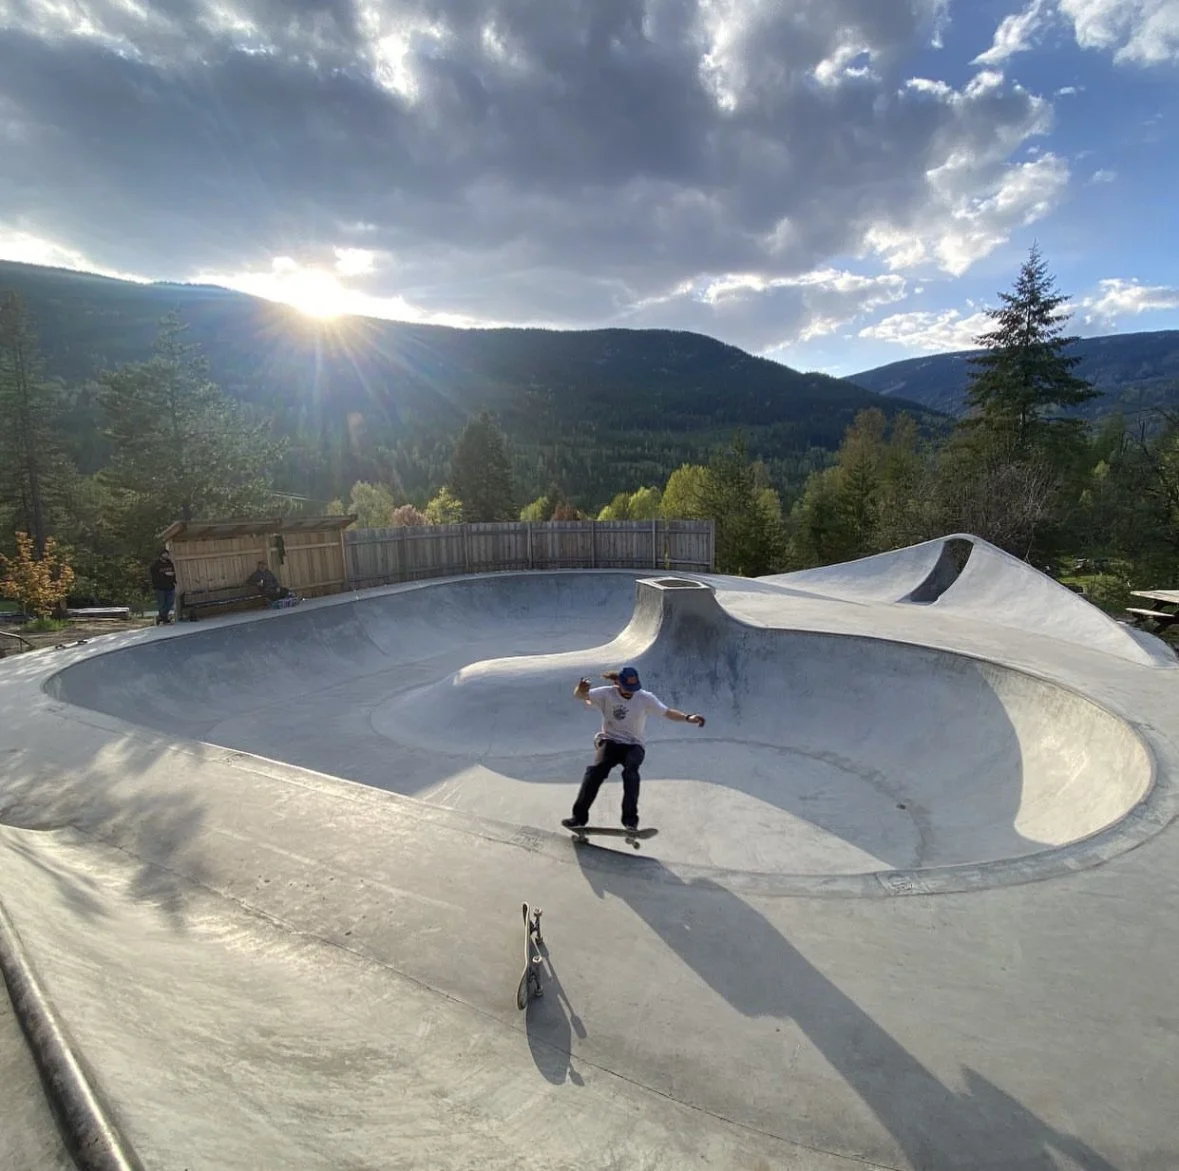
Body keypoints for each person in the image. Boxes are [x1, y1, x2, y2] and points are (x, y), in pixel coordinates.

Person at [562, 665, 705, 832]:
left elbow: (667, 712)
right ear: (618, 683)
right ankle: (578, 818)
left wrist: (688, 718)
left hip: (634, 745)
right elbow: (581, 696)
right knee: (595, 771)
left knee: (631, 772)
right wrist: (581, 689)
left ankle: (630, 821)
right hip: (610, 741)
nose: (630, 692)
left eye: (633, 689)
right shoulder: (606, 693)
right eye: (627, 689)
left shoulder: (645, 698)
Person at [149, 550, 176, 625]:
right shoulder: (155, 565)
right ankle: (163, 618)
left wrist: (174, 580)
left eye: (167, 554)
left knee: (170, 602)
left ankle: (163, 616)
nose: (166, 556)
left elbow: (173, 572)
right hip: (160, 587)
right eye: (164, 554)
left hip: (170, 585)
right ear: (161, 555)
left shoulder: (169, 563)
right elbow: (154, 576)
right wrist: (165, 574)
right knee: (161, 603)